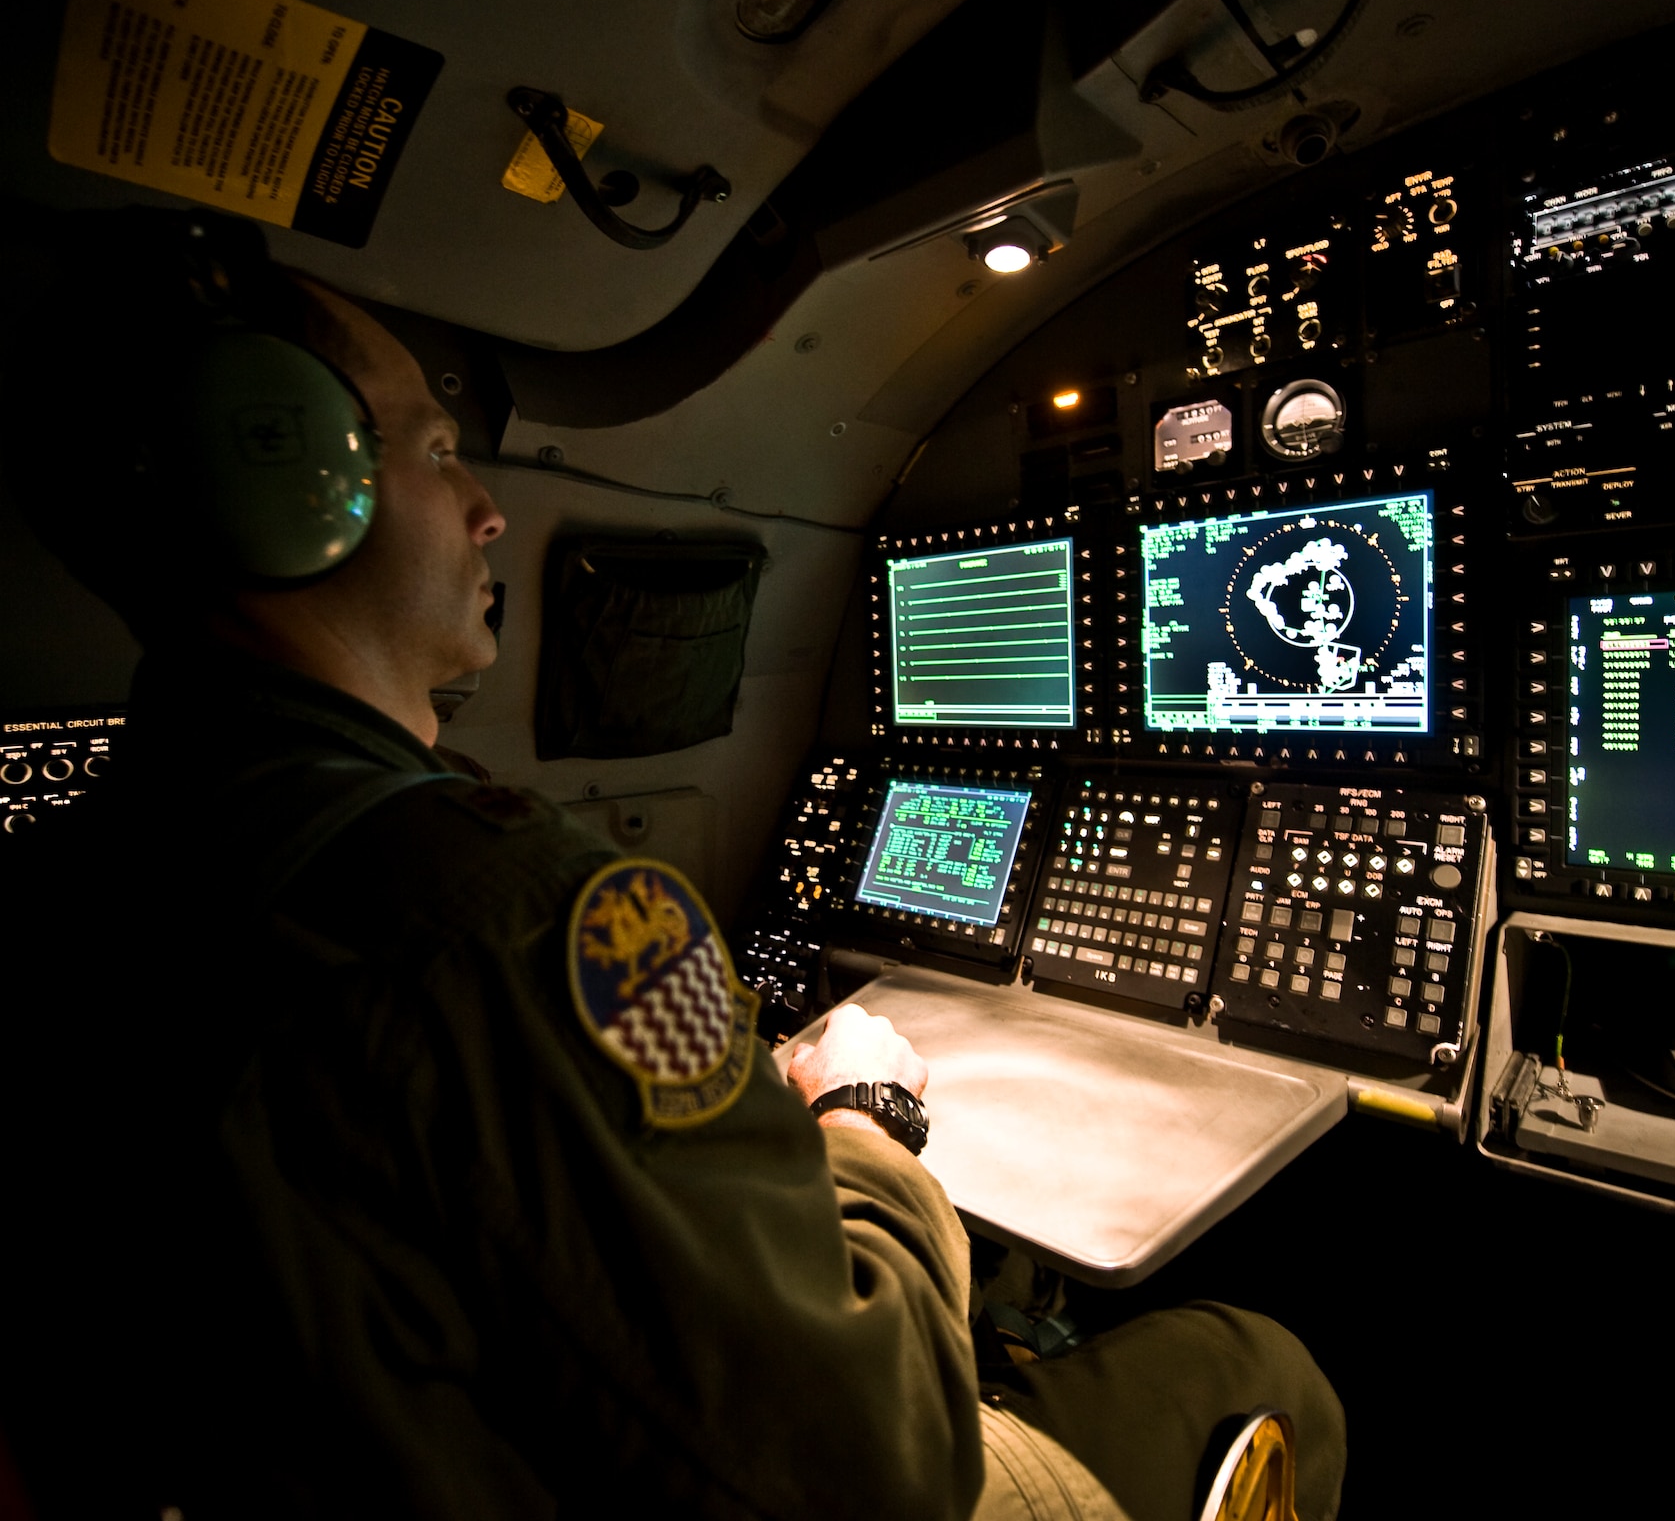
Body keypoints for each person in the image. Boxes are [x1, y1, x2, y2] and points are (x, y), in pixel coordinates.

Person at [0, 210, 1344, 1520]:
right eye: (434, 451)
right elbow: (878, 1465)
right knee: (1257, 1365)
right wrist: (866, 1121)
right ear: (288, 490)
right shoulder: (522, 916)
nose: (487, 516)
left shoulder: (67, 878)